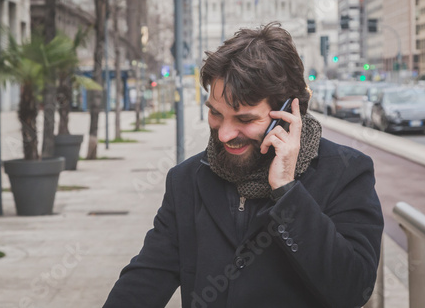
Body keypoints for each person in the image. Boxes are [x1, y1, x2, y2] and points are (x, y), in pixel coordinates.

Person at [103, 22, 384, 308]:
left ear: (288, 112)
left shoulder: (346, 173)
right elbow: (145, 280)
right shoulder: (186, 180)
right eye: (215, 113)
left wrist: (287, 192)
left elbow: (352, 290)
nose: (224, 134)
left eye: (245, 119)